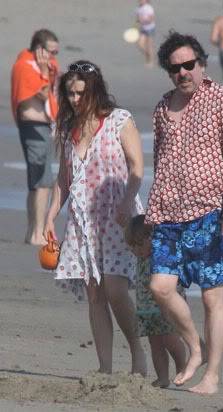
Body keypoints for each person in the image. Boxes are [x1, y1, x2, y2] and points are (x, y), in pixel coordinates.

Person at [145, 31, 223, 395]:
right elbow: (159, 161)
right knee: (160, 287)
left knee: (211, 296)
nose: (183, 73)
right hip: (168, 217)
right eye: (175, 68)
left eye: (189, 65)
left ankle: (213, 375)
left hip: (211, 214)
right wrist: (152, 213)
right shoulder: (162, 108)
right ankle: (196, 348)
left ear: (202, 64)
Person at [43, 60, 147, 376]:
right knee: (95, 294)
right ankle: (104, 368)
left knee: (116, 289)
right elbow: (64, 177)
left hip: (119, 217)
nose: (75, 99)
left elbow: (137, 168)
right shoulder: (67, 128)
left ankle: (137, 353)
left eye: (81, 93)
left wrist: (128, 202)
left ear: (94, 89)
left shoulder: (119, 121)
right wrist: (49, 217)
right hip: (82, 220)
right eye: (70, 94)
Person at [125, 214, 187, 388]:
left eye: (139, 245)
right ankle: (162, 377)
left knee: (171, 340)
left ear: (152, 239)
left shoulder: (162, 254)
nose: (136, 251)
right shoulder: (140, 257)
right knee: (156, 343)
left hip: (167, 307)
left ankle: (183, 368)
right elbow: (128, 225)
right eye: (132, 247)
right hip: (147, 309)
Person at [11, 29, 59, 245]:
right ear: (39, 50)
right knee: (43, 182)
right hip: (33, 126)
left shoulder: (42, 66)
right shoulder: (25, 66)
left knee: (39, 182)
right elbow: (42, 92)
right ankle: (37, 233)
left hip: (42, 125)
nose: (53, 57)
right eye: (50, 52)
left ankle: (32, 231)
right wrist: (43, 70)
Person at [136, 0, 156, 67]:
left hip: (150, 28)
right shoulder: (138, 8)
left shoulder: (149, 8)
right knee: (140, 44)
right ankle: (149, 56)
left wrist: (143, 21)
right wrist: (138, 22)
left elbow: (152, 19)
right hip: (143, 29)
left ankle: (150, 62)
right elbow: (138, 18)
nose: (140, 1)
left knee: (149, 46)